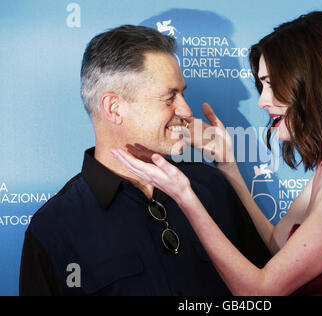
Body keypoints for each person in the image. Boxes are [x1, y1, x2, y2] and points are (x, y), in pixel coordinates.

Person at [112, 12, 322, 296]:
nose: (262, 102)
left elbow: (259, 290)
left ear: (318, 83)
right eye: (262, 85)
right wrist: (228, 164)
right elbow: (275, 243)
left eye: (271, 85)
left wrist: (185, 196)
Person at [19, 25, 270, 296]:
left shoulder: (212, 187)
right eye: (169, 97)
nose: (186, 110)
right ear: (114, 109)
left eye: (182, 93)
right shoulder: (55, 226)